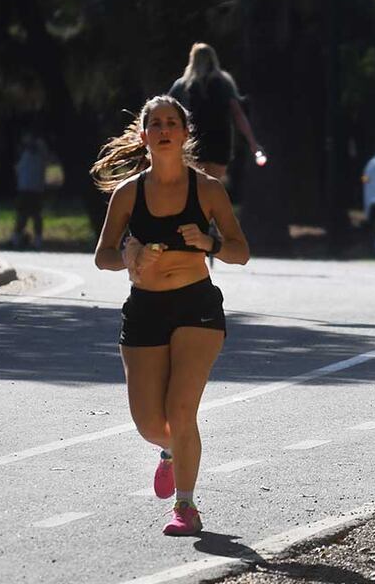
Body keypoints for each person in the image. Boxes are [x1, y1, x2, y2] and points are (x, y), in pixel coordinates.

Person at [91, 95, 250, 536]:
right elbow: (102, 257)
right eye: (155, 123)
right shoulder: (129, 194)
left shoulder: (208, 190)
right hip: (145, 309)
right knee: (149, 423)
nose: (163, 129)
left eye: (171, 123)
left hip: (196, 305)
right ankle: (169, 451)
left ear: (184, 133)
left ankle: (186, 506)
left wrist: (209, 242)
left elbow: (241, 252)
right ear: (143, 136)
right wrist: (130, 253)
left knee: (181, 410)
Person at [168, 42, 266, 181]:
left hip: (194, 140)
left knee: (196, 185)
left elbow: (168, 109)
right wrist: (253, 143)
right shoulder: (224, 83)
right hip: (221, 140)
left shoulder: (182, 85)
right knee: (214, 184)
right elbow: (238, 115)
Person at [11, 133, 47, 249]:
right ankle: (16, 238)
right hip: (25, 187)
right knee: (22, 214)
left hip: (35, 188)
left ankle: (38, 240)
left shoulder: (40, 150)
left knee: (36, 215)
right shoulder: (24, 153)